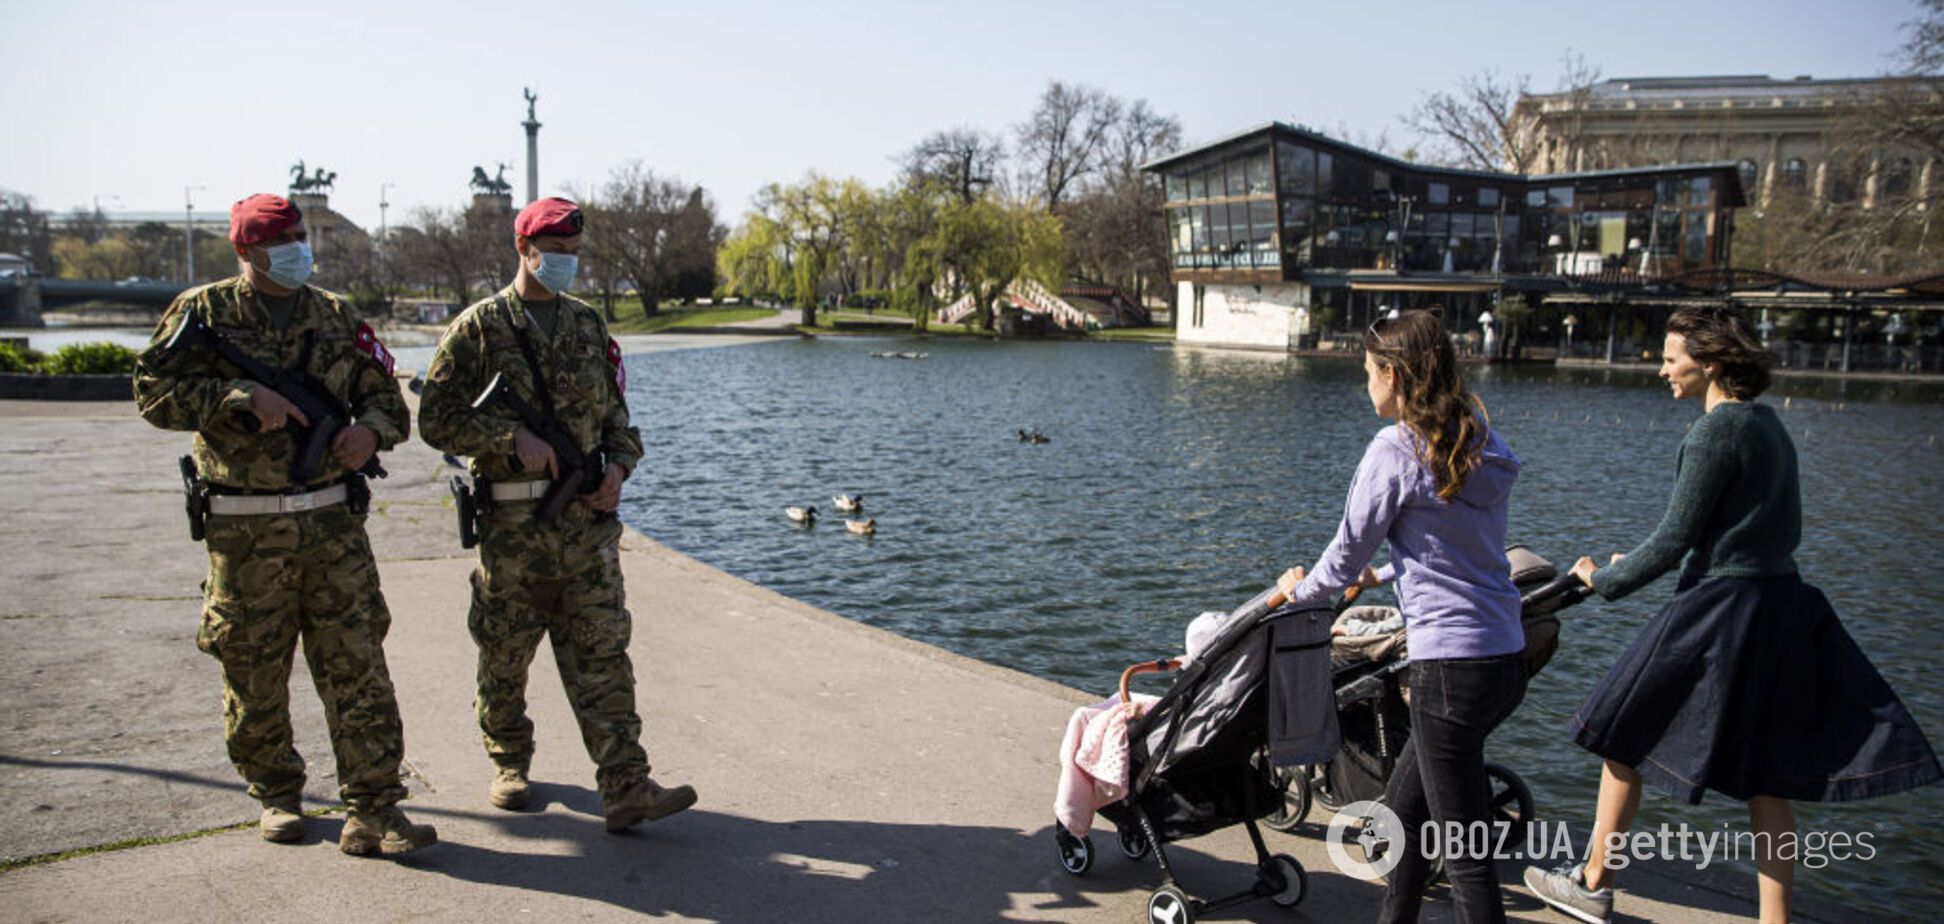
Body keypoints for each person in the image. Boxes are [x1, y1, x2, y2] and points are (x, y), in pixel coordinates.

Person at [1524, 306, 1941, 924]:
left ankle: (1592, 882)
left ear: (1711, 363)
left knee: (1621, 732)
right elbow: (1742, 530)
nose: (1662, 369)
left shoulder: (1714, 431)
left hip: (1719, 607)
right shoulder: (1769, 424)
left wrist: (1601, 578)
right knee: (1766, 778)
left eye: (1671, 359)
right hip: (1781, 605)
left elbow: (1674, 540)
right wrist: (1646, 559)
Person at [132, 193, 436, 857]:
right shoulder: (202, 312)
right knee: (253, 673)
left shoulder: (334, 314)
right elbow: (151, 394)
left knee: (359, 669)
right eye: (281, 240)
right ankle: (276, 793)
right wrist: (235, 396)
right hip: (246, 533)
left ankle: (374, 807)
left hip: (332, 527)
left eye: (300, 236)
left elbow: (388, 401)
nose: (298, 248)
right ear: (246, 250)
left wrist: (369, 432)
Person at [417, 197, 696, 832]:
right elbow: (435, 419)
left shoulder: (588, 326)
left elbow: (617, 419)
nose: (567, 262)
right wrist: (507, 438)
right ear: (524, 249)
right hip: (513, 534)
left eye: (574, 253)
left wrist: (618, 469)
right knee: (505, 657)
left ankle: (626, 784)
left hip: (586, 533)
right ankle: (509, 761)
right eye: (556, 252)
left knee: (604, 656)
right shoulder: (479, 328)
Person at [1275, 309, 1526, 923]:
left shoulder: (1396, 449)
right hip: (1505, 656)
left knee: (1465, 856)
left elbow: (1343, 555)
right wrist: (1387, 574)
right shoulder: (1479, 443)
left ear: (1392, 374)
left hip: (1450, 667)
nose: (1365, 384)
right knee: (1403, 814)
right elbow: (1456, 550)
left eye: (1368, 371)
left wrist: (1295, 594)